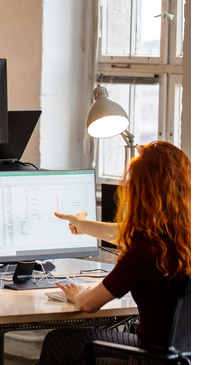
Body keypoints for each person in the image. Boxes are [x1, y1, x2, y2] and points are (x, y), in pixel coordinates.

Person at [38, 141, 191, 365]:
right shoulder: (185, 239)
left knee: (58, 343)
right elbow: (122, 234)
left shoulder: (145, 252)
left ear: (142, 191)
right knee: (68, 343)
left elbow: (89, 304)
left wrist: (77, 293)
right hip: (180, 356)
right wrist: (83, 224)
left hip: (150, 360)